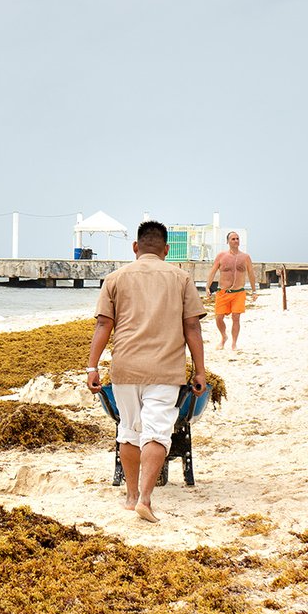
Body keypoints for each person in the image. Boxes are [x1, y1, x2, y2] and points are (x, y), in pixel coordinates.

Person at [87, 221, 208, 523]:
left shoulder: (115, 278)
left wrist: (92, 367)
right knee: (157, 432)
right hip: (166, 369)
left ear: (135, 247)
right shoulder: (181, 278)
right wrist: (200, 371)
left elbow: (104, 324)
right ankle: (145, 499)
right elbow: (192, 326)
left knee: (129, 430)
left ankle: (130, 497)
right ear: (166, 249)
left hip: (125, 368)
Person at [205, 230, 256, 350]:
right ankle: (224, 337)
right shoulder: (221, 256)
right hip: (223, 292)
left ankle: (234, 343)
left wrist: (254, 291)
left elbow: (251, 274)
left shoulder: (245, 257)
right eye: (233, 239)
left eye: (237, 238)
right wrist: (207, 287)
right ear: (227, 241)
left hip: (239, 292)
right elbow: (213, 271)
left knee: (236, 317)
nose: (236, 241)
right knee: (219, 317)